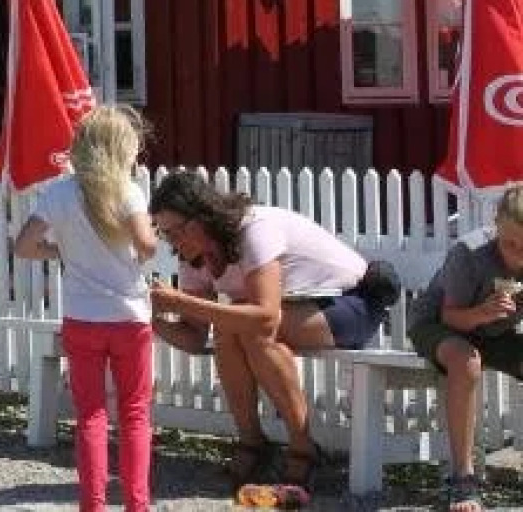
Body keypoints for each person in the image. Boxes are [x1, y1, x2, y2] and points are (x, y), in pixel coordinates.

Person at [147, 172, 399, 489]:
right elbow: (196, 339)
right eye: (165, 233)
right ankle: (253, 442)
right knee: (230, 329)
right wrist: (148, 317)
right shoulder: (192, 257)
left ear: (199, 218)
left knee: (250, 327)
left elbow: (265, 316)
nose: (172, 241)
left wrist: (183, 303)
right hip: (301, 306)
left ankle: (302, 447)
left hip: (353, 301)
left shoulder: (252, 229)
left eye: (176, 231)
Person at [12, 106, 158, 512]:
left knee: (90, 415)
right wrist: (133, 250)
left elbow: (23, 247)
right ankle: (136, 504)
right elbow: (147, 246)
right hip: (129, 317)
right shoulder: (128, 192)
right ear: (120, 149)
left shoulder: (58, 193)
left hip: (82, 317)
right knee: (134, 414)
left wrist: (60, 249)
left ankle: (91, 505)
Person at [406, 185, 523, 512]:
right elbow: (450, 316)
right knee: (467, 362)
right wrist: (483, 312)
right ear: (496, 224)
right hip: (440, 324)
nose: (517, 255)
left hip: (495, 330)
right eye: (510, 243)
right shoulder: (470, 253)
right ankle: (462, 475)